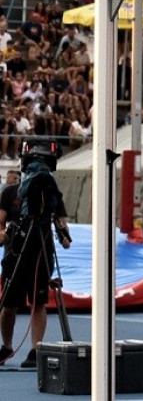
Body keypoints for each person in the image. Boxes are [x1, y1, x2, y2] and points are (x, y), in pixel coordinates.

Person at [0, 140, 73, 367]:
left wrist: (63, 235)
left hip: (42, 250)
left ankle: (35, 350)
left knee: (38, 302)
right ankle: (7, 346)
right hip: (16, 250)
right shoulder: (10, 192)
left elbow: (61, 221)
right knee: (8, 304)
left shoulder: (52, 192)